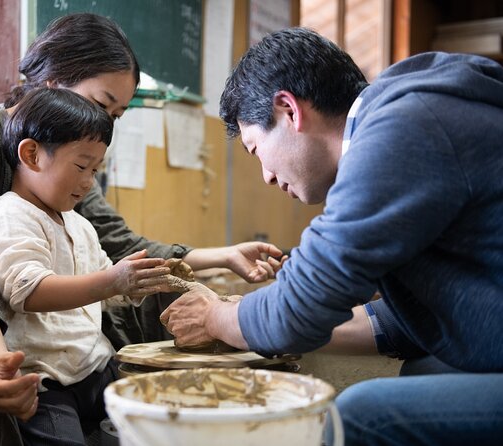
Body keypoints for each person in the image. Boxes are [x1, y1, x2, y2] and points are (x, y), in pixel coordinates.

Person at [0, 13, 283, 445]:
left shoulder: (69, 160)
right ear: (52, 83)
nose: (106, 123)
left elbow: (119, 243)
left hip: (22, 317)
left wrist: (219, 257)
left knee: (165, 295)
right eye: (101, 104)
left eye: (117, 115)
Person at [160, 27, 503, 445]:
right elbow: (423, 322)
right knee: (424, 367)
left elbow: (297, 310)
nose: (266, 175)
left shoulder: (401, 132)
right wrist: (244, 318)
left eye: (256, 150)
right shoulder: (409, 114)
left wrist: (216, 317)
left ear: (289, 109)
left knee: (361, 415)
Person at [0, 87, 175, 445]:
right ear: (32, 154)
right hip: (46, 380)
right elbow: (28, 290)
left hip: (95, 366)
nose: (89, 182)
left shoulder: (78, 223)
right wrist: (112, 281)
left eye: (96, 169)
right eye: (81, 166)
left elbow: (101, 286)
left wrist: (135, 285)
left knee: (163, 412)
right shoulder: (11, 213)